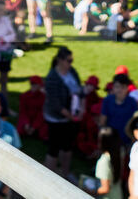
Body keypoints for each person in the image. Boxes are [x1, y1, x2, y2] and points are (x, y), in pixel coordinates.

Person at [43, 46, 83, 178]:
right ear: (60, 60)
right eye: (68, 60)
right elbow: (55, 104)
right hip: (57, 119)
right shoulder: (52, 77)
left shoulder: (72, 71)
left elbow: (80, 89)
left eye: (72, 60)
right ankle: (49, 178)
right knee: (53, 149)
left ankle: (65, 174)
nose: (70, 63)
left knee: (67, 147)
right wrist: (71, 116)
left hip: (71, 117)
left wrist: (82, 108)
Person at [92, 126, 124, 199]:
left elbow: (105, 189)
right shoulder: (120, 151)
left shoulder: (103, 162)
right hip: (118, 194)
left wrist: (87, 191)